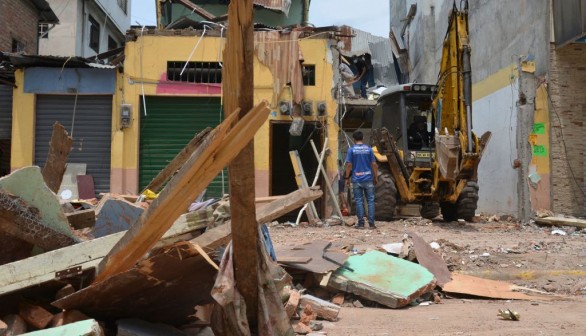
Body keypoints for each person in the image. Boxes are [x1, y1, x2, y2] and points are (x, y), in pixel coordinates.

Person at [344, 131, 378, 229]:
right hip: (368, 179)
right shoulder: (369, 149)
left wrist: (347, 178)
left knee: (359, 201)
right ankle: (371, 224)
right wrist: (376, 177)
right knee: (370, 201)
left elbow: (349, 165)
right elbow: (374, 165)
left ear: (354, 139)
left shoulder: (351, 150)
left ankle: (361, 224)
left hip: (356, 179)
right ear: (363, 138)